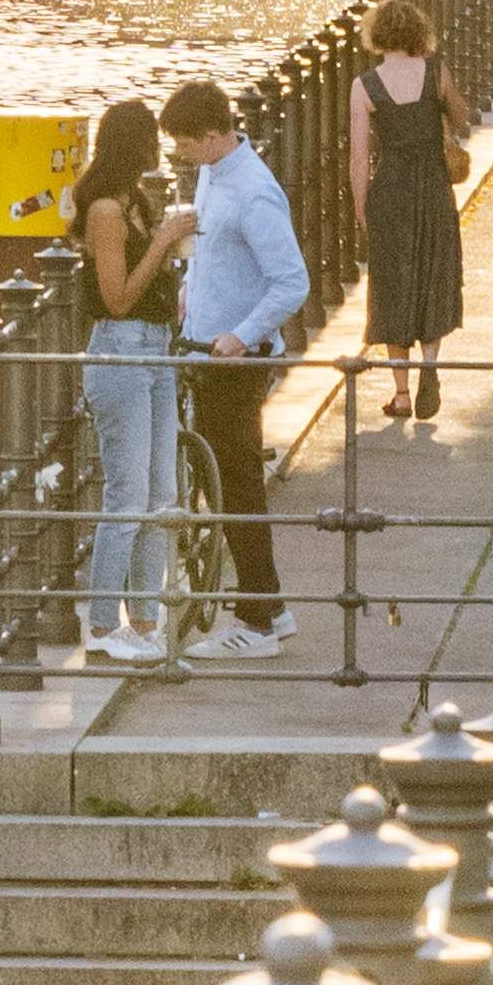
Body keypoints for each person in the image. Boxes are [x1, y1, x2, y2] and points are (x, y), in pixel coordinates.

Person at [163, 79, 311, 664]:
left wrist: (243, 336)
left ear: (213, 134)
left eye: (183, 141)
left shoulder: (253, 192)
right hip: (207, 349)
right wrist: (187, 293)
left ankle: (256, 618)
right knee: (224, 477)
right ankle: (268, 606)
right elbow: (219, 254)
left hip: (234, 360)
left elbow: (292, 281)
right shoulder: (213, 172)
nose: (178, 152)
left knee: (238, 481)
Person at [66, 97, 192, 666]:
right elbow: (115, 299)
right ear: (129, 146)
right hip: (120, 352)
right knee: (127, 495)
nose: (156, 154)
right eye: (148, 143)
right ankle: (99, 623)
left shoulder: (136, 203)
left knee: (162, 492)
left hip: (157, 349)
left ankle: (144, 617)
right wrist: (163, 244)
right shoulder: (105, 213)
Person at [356, 5, 471, 429]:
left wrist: (361, 208)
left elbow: (358, 158)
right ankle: (430, 364)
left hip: (391, 189)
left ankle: (402, 393)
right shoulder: (435, 72)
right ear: (419, 33)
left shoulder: (364, 86)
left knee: (392, 284)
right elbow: (462, 120)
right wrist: (447, 101)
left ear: (378, 38)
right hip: (433, 187)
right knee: (434, 274)